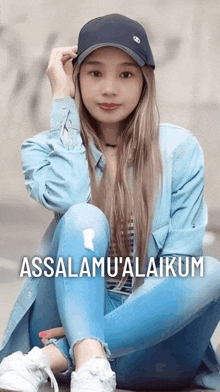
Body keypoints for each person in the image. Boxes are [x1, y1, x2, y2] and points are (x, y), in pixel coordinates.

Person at [0, 13, 220, 392]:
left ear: (144, 81)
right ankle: (87, 356)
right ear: (77, 78)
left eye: (125, 74)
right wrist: (60, 98)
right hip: (64, 311)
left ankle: (60, 357)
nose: (109, 89)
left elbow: (177, 266)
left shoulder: (179, 150)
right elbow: (69, 198)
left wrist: (88, 335)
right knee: (84, 215)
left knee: (207, 270)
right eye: (95, 73)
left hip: (148, 341)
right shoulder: (43, 148)